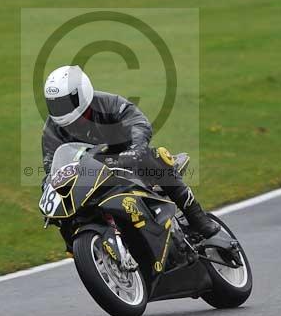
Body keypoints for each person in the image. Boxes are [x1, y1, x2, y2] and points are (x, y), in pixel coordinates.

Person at [41, 65, 220, 239]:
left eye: (65, 103)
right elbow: (52, 169)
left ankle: (197, 217)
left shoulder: (108, 103)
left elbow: (137, 122)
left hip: (125, 157)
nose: (60, 110)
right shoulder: (51, 131)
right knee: (64, 217)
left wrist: (136, 149)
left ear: (81, 93)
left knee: (157, 157)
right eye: (55, 105)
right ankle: (92, 252)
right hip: (89, 174)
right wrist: (48, 189)